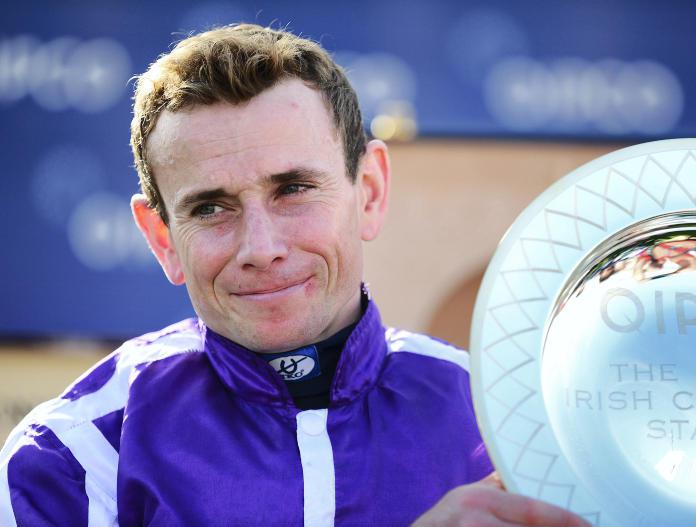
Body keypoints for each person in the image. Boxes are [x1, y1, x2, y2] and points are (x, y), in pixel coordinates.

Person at [0, 24, 589, 527]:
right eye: (210, 208)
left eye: (294, 189)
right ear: (162, 240)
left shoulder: (506, 423)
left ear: (370, 191)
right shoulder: (73, 455)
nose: (261, 248)